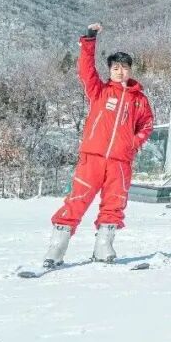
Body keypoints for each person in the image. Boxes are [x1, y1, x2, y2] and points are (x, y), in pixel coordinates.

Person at [41, 23, 154, 267]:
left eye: (124, 68)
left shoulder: (139, 100)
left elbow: (147, 125)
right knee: (77, 200)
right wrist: (90, 40)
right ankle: (56, 248)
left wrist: (133, 143)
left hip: (121, 162)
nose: (120, 72)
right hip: (92, 157)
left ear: (130, 70)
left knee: (114, 203)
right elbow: (86, 69)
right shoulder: (99, 91)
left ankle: (104, 246)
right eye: (116, 68)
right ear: (110, 70)